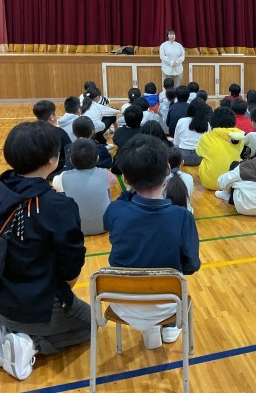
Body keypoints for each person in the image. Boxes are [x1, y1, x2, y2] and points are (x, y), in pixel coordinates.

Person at [0, 121, 89, 381]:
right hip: (36, 310)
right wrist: (64, 290)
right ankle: (29, 344)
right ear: (52, 160)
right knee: (89, 326)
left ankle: (0, 333)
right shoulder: (58, 206)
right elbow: (71, 262)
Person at [104, 134, 200, 349]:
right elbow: (192, 265)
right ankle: (167, 327)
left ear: (126, 179)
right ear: (168, 169)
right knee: (170, 279)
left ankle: (152, 328)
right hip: (167, 304)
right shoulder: (181, 216)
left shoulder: (115, 210)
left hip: (123, 302)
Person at [53, 138, 116, 235]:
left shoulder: (60, 178)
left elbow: (55, 186)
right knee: (106, 191)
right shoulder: (107, 174)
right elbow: (113, 181)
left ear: (71, 160)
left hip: (76, 228)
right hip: (106, 226)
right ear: (97, 158)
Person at [196, 106, 244, 190]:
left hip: (210, 183)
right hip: (234, 183)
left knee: (204, 159)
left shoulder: (206, 137)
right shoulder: (241, 136)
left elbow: (199, 153)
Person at [32, 100, 71, 177]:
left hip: (38, 171)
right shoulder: (60, 133)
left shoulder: (30, 132)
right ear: (52, 117)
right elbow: (69, 151)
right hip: (58, 171)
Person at [174, 99, 211, 166]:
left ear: (190, 109)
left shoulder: (182, 121)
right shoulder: (207, 124)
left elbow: (176, 142)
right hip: (201, 158)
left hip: (183, 158)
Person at [164, 147, 194, 213]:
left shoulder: (161, 180)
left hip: (166, 214)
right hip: (187, 212)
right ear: (182, 162)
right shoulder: (189, 178)